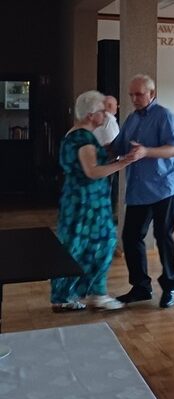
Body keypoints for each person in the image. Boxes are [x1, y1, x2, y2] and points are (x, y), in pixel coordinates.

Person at [50, 91, 133, 312]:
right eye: (102, 111)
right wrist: (124, 162)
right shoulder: (84, 139)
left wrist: (109, 153)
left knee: (75, 245)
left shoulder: (73, 135)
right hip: (88, 203)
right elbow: (92, 171)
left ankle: (71, 295)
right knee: (103, 243)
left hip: (75, 199)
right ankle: (94, 294)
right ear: (90, 115)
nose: (106, 115)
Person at [113, 74, 174, 309]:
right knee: (130, 238)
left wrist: (146, 152)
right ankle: (141, 287)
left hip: (164, 188)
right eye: (131, 94)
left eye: (139, 94)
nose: (134, 98)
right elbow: (118, 146)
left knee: (163, 237)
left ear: (152, 94)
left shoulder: (164, 116)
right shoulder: (131, 119)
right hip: (138, 190)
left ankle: (169, 287)